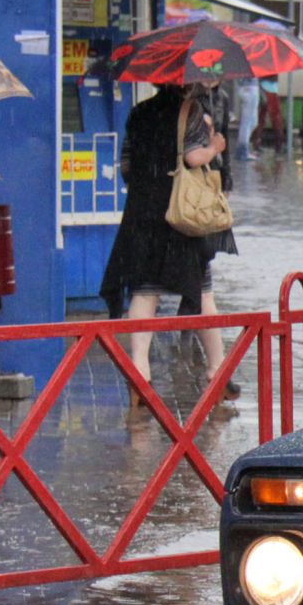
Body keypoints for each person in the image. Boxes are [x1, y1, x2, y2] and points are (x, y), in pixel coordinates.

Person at [99, 79, 238, 402]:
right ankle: (217, 370)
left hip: (142, 212)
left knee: (145, 292)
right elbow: (192, 158)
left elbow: (127, 166)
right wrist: (215, 147)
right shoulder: (191, 111)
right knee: (202, 292)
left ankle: (140, 371)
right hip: (179, 217)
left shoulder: (139, 112)